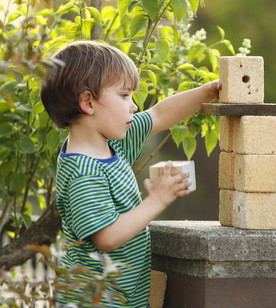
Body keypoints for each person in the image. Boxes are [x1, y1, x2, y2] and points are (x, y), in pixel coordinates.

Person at [41, 40, 221, 307]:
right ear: (88, 102)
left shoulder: (112, 140)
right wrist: (157, 200)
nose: (133, 106)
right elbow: (107, 237)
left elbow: (159, 114)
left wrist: (206, 92)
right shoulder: (83, 172)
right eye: (124, 96)